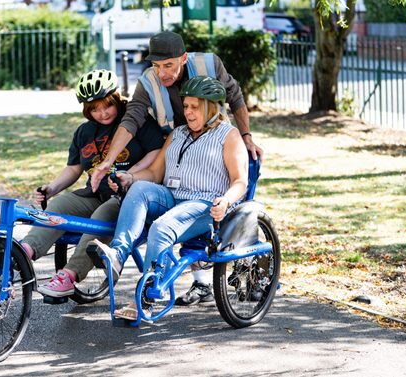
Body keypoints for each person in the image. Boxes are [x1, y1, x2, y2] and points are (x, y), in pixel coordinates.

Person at [90, 30, 262, 305]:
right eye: (156, 66)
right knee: (142, 188)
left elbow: (236, 97)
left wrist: (246, 136)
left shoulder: (224, 126)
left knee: (163, 225)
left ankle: (150, 288)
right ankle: (117, 255)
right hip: (175, 190)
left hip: (205, 198)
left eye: (168, 65)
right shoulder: (174, 129)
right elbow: (136, 128)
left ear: (183, 59)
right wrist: (126, 174)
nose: (161, 73)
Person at [20, 69, 165, 298]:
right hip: (94, 193)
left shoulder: (136, 121)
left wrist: (131, 174)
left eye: (106, 105)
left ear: (116, 98)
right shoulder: (85, 132)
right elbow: (75, 168)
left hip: (127, 197)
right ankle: (23, 253)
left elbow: (157, 153)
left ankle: (68, 276)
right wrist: (52, 188)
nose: (102, 113)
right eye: (94, 109)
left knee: (102, 214)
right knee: (59, 204)